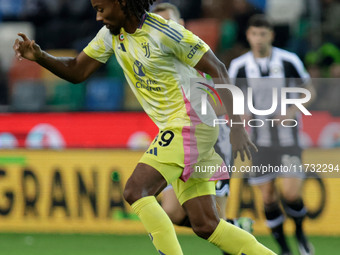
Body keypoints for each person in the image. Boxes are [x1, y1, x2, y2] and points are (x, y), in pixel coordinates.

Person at [13, 1, 275, 254]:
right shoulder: (110, 35)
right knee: (206, 225)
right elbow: (77, 70)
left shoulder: (165, 32)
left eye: (101, 9)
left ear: (122, 4)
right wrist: (39, 57)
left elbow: (217, 68)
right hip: (182, 128)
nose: (98, 17)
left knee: (135, 191)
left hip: (190, 124)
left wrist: (238, 126)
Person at [152, 4, 254, 254]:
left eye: (169, 23)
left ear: (182, 24)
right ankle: (235, 226)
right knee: (172, 212)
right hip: (178, 141)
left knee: (216, 224)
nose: (164, 30)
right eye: (158, 25)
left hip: (212, 144)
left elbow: (224, 98)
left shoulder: (196, 55)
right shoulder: (155, 62)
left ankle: (231, 228)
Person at [228, 14, 316, 255]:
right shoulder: (240, 65)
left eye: (263, 34)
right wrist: (239, 114)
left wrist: (291, 111)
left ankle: (299, 232)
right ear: (248, 36)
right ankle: (284, 249)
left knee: (290, 193)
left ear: (271, 36)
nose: (258, 39)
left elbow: (309, 90)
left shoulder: (289, 60)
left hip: (288, 139)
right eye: (254, 34)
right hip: (258, 142)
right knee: (267, 197)